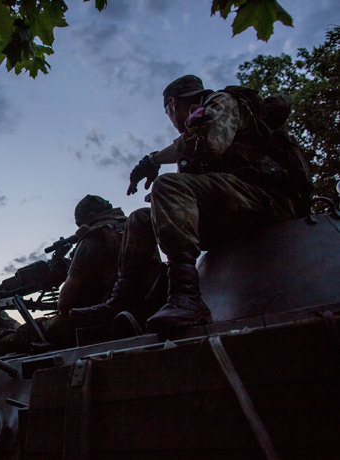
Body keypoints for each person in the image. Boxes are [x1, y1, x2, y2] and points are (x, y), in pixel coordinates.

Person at [71, 75, 303, 333]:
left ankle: (187, 298)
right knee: (139, 219)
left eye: (169, 112)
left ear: (172, 104)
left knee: (168, 186)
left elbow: (209, 142)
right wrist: (163, 200)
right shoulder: (198, 138)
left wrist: (154, 160)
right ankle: (124, 302)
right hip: (236, 208)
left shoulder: (222, 102)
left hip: (270, 202)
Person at [0, 195, 127, 355]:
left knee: (34, 329)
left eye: (80, 224)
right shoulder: (129, 229)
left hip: (92, 319)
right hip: (126, 310)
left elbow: (64, 304)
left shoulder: (92, 239)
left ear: (90, 217)